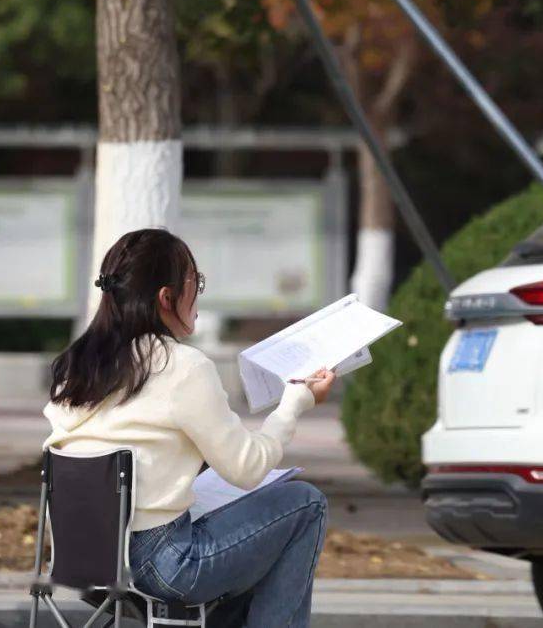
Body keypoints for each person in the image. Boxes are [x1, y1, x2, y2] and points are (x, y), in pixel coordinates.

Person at [44, 227, 334, 628]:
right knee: (304, 504)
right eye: (194, 283)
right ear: (166, 298)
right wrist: (295, 403)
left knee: (247, 528)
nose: (198, 294)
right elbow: (247, 469)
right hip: (164, 564)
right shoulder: (182, 366)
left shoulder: (73, 367)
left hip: (84, 562)